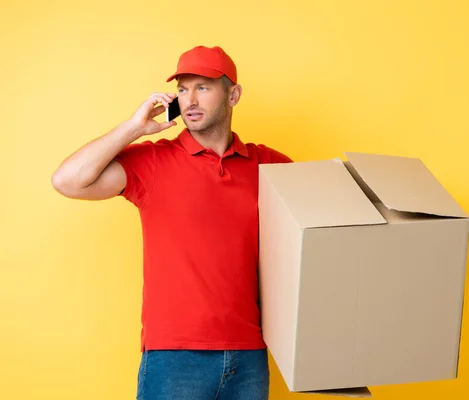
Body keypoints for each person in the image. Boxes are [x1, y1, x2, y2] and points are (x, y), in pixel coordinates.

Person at [51, 45, 293, 400]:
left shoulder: (269, 165)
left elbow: (324, 220)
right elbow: (68, 180)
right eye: (182, 89)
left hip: (249, 355)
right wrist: (134, 128)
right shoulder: (153, 162)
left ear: (233, 95)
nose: (190, 99)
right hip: (174, 357)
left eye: (204, 87)